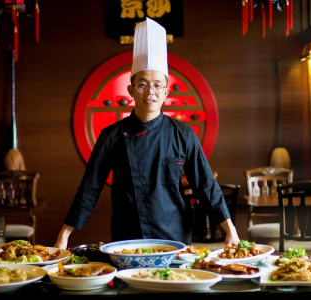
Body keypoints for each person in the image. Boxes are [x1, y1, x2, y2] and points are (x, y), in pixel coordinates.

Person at [55, 18, 240, 250]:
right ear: (131, 90)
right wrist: (65, 234)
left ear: (166, 92)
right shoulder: (111, 136)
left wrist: (229, 229)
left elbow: (205, 184)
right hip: (127, 237)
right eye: (142, 85)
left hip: (174, 237)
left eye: (157, 85)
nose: (150, 92)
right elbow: (90, 186)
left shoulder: (183, 134)